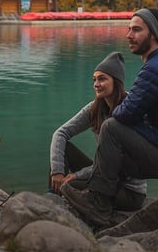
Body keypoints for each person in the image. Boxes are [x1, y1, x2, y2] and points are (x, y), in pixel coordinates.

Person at [61, 8, 158, 229]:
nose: (128, 35)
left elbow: (125, 114)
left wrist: (120, 111)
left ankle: (99, 205)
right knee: (120, 138)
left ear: (153, 34)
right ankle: (109, 193)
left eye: (136, 30)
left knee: (111, 127)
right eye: (128, 29)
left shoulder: (154, 69)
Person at [49, 50, 147, 215]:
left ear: (116, 82)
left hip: (128, 191)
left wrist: (78, 175)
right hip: (103, 175)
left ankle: (57, 208)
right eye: (94, 79)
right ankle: (51, 200)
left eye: (102, 79)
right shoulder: (96, 109)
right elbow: (61, 133)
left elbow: (118, 166)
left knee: (70, 187)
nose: (96, 84)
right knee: (62, 151)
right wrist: (57, 172)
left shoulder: (131, 111)